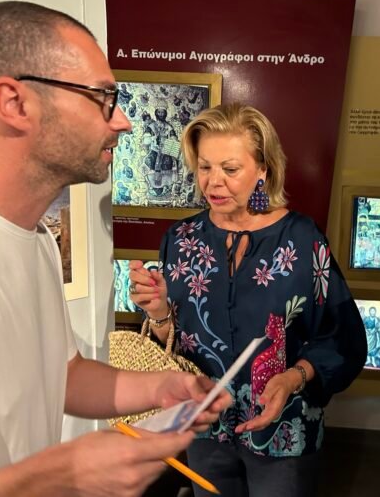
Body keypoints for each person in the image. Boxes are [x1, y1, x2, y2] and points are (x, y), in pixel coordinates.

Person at [0, 1, 230, 496]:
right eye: (102, 97)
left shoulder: (39, 242)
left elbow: (63, 375)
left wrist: (160, 387)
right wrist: (57, 476)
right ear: (15, 103)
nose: (123, 122)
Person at [129, 103, 367, 497]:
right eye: (205, 167)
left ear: (263, 170)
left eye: (230, 169)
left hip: (284, 433)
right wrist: (157, 313)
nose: (214, 182)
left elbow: (342, 336)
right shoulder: (181, 240)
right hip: (205, 429)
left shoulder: (302, 239)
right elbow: (175, 344)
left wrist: (293, 378)